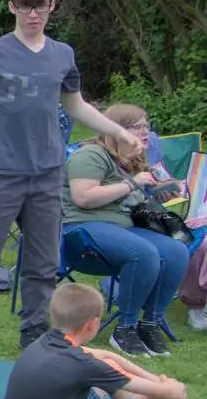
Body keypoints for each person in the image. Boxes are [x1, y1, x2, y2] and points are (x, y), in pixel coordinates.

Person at [0, 0, 142, 354]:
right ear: (13, 7)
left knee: (44, 262)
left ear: (52, 6)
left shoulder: (63, 55)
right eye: (26, 7)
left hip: (46, 174)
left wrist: (120, 132)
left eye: (41, 6)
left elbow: (76, 105)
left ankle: (33, 330)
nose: (34, 14)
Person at [3, 282, 207, 399]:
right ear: (92, 324)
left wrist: (155, 379)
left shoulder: (44, 343)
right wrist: (171, 385)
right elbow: (169, 395)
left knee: (112, 377)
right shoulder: (84, 364)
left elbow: (109, 358)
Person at [62, 103, 190, 357]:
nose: (145, 131)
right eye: (137, 126)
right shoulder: (91, 155)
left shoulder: (129, 159)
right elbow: (83, 197)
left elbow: (130, 202)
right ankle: (125, 329)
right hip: (82, 229)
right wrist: (132, 184)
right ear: (115, 129)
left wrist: (159, 191)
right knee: (143, 252)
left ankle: (150, 323)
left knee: (176, 251)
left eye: (146, 125)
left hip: (122, 228)